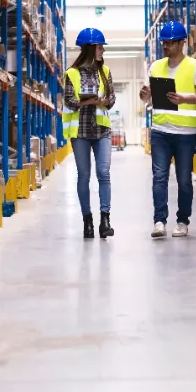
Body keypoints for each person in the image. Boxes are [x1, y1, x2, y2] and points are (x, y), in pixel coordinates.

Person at [139, 20, 196, 239]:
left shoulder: (194, 67)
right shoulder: (156, 67)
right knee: (159, 177)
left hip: (184, 134)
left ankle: (182, 221)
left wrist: (185, 98)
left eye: (170, 42)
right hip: (160, 130)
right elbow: (147, 98)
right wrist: (144, 95)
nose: (166, 46)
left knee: (184, 180)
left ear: (182, 43)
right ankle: (159, 221)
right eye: (164, 42)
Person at [65, 27, 116, 239]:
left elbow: (112, 98)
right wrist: (89, 101)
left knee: (104, 174)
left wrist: (105, 101)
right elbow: (69, 101)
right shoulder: (72, 74)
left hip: (102, 130)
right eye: (99, 46)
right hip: (81, 131)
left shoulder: (105, 72)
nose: (102, 50)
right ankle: (88, 221)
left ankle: (105, 220)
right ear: (89, 48)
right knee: (84, 176)